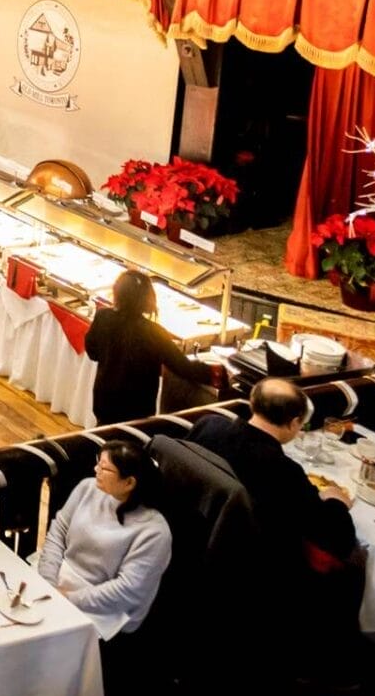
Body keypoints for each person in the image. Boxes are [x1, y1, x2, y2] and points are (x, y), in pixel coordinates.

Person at [192, 379, 357, 570]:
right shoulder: (283, 471)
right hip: (250, 562)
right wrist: (337, 501)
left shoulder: (208, 425)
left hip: (193, 536)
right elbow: (339, 540)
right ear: (294, 423)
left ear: (253, 404)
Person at [40, 440, 173, 638]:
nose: (96, 470)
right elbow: (59, 530)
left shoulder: (154, 532)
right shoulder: (87, 488)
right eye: (98, 463)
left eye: (105, 468)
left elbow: (127, 590)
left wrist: (68, 599)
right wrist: (47, 581)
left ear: (129, 483)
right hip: (60, 578)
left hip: (106, 609)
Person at [84, 270, 217, 424]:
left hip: (105, 405)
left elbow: (92, 352)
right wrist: (214, 372)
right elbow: (183, 367)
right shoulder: (154, 332)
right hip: (137, 412)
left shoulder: (103, 317)